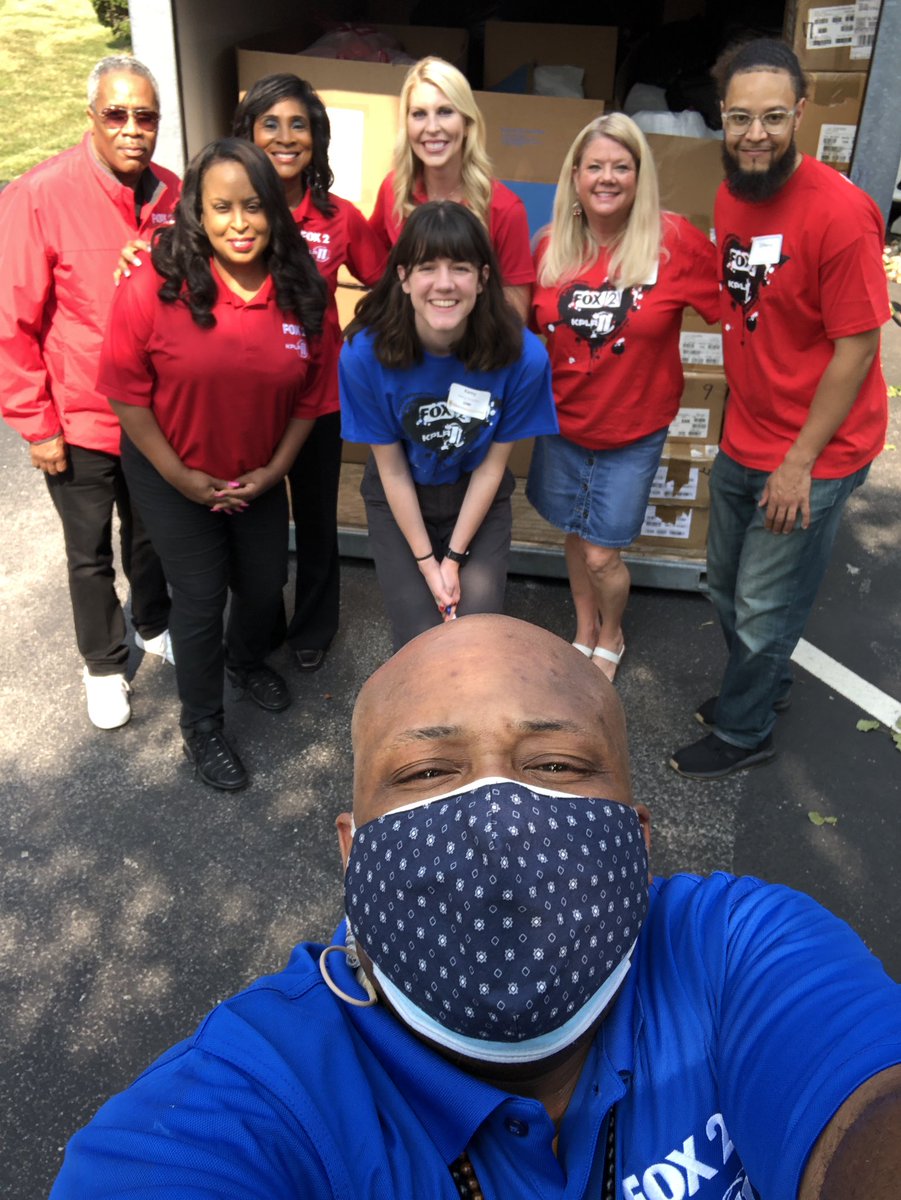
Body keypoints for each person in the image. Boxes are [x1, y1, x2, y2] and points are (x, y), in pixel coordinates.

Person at [50, 614, 901, 1198]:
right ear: (353, 849)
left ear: (637, 836)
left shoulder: (737, 955)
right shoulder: (257, 1098)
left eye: (559, 765)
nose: (497, 814)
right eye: (425, 773)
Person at [670, 38, 890, 780]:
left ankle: (743, 731)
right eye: (738, 117)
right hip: (746, 432)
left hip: (812, 451)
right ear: (720, 118)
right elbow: (749, 305)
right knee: (725, 586)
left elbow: (857, 349)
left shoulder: (840, 214)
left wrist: (797, 465)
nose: (753, 134)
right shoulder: (737, 190)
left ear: (798, 114)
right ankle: (766, 684)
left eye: (770, 117)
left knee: (763, 606)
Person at [97, 139, 328, 791]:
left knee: (259, 585)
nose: (239, 222)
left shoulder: (300, 286)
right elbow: (124, 392)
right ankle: (202, 725)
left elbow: (311, 395)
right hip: (171, 471)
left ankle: (244, 657)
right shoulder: (152, 282)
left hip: (256, 471)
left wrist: (273, 470)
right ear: (196, 210)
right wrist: (181, 479)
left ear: (273, 211)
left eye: (253, 206)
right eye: (221, 207)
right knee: (198, 600)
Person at [0, 56, 179, 730]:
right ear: (92, 118)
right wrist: (35, 423)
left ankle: (153, 621)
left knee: (152, 533)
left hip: (155, 416)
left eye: (146, 116)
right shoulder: (39, 196)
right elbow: (9, 322)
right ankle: (103, 664)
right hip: (78, 418)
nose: (133, 128)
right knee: (90, 551)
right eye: (117, 114)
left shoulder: (173, 193)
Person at [527, 114, 720, 681]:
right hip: (563, 426)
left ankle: (611, 633)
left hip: (633, 431)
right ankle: (584, 627)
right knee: (573, 530)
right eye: (594, 167)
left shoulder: (675, 242)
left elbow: (734, 310)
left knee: (601, 552)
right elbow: (523, 334)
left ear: (639, 176)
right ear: (576, 177)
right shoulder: (550, 246)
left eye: (621, 166)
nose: (606, 178)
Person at [339, 200, 558, 650]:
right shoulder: (364, 354)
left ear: (482, 278)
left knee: (475, 637)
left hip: (476, 493)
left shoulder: (524, 356)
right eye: (426, 267)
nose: (444, 284)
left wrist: (453, 559)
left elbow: (493, 468)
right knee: (420, 640)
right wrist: (427, 563)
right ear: (402, 277)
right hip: (399, 492)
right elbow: (392, 469)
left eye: (460, 267)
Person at [232, 73, 389, 673]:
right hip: (249, 399)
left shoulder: (339, 217)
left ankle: (314, 626)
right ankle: (259, 622)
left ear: (316, 139)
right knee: (255, 516)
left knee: (318, 518)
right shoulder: (232, 208)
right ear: (248, 133)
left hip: (318, 399)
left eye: (298, 124)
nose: (284, 136)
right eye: (270, 123)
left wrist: (355, 329)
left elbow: (385, 279)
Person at [369, 56, 534, 319]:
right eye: (419, 114)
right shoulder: (393, 189)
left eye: (445, 111)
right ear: (407, 125)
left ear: (467, 123)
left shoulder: (504, 208)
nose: (432, 128)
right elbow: (376, 275)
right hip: (404, 349)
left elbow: (515, 314)